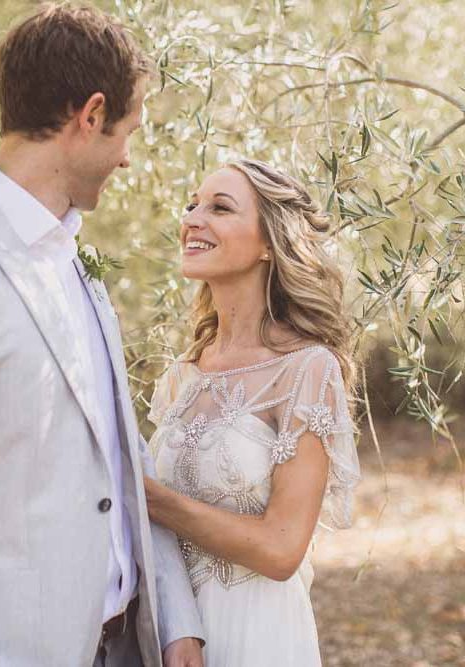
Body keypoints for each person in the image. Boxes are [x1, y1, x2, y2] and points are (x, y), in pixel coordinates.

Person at [0, 5, 204, 666]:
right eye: (126, 131)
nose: (127, 158)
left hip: (126, 645)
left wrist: (176, 617)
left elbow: (121, 457)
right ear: (89, 115)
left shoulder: (76, 259)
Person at [141, 159, 362, 666]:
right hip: (171, 634)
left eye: (220, 208)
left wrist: (147, 498)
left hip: (258, 634)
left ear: (269, 243)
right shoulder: (183, 374)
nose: (194, 218)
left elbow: (282, 550)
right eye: (192, 205)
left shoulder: (306, 369)